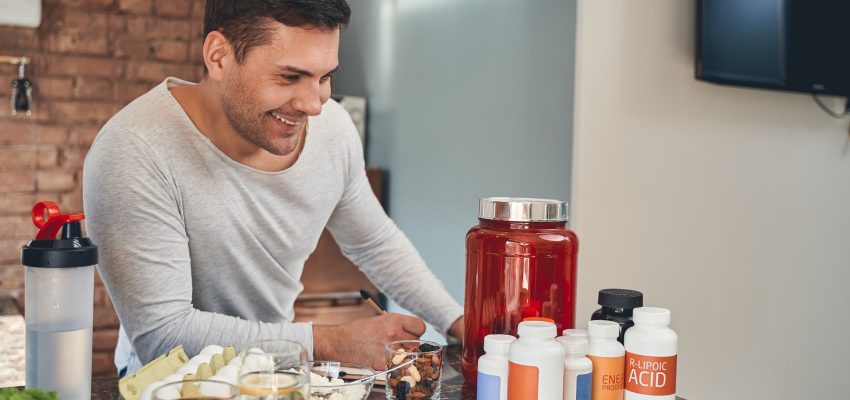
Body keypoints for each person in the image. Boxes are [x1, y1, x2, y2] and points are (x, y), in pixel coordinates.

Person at [83, 0, 463, 375]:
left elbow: (374, 242)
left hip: (276, 374)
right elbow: (164, 337)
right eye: (289, 77)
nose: (314, 105)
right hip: (168, 383)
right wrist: (331, 344)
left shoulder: (333, 130)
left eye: (325, 77)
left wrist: (458, 321)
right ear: (218, 57)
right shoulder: (133, 149)